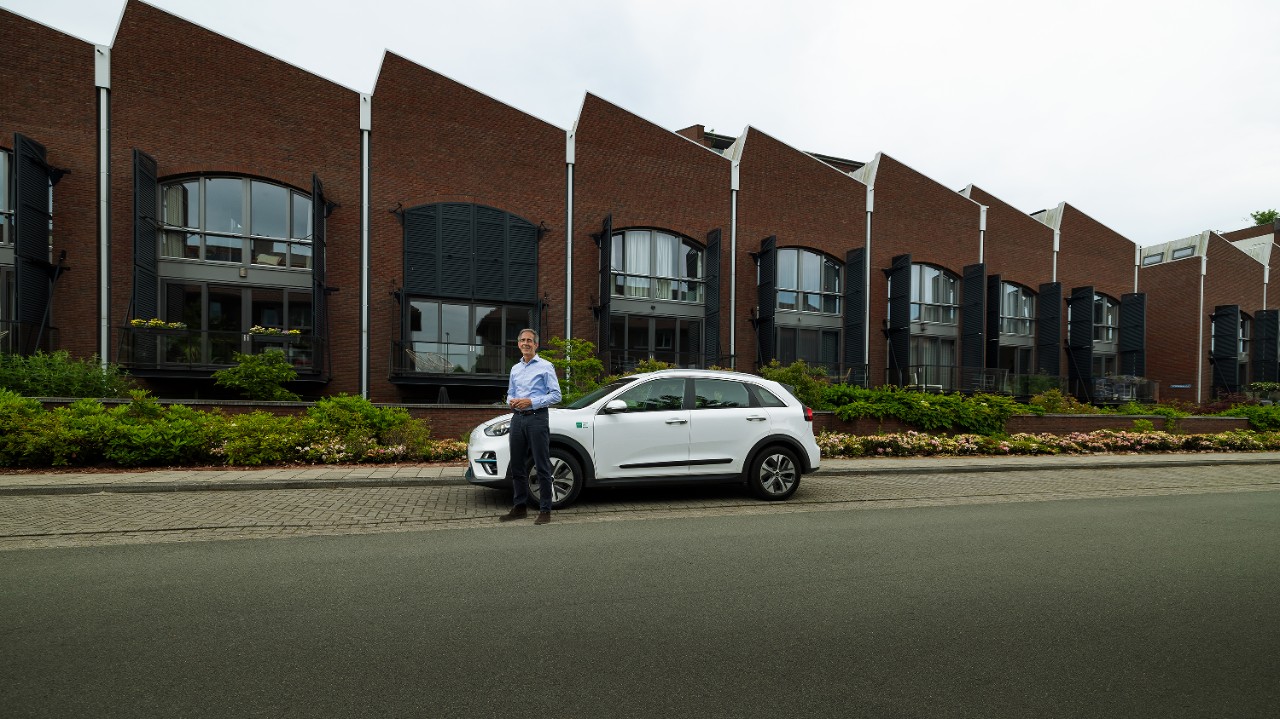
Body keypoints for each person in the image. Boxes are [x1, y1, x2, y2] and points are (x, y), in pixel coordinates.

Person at [499, 328, 562, 525]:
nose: (526, 343)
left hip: (537, 418)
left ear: (536, 344)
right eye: (522, 340)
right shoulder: (515, 369)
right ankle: (520, 507)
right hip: (517, 419)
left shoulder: (546, 366)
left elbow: (556, 395)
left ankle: (545, 510)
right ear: (518, 344)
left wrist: (531, 402)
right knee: (517, 465)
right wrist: (512, 401)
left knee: (541, 464)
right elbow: (510, 392)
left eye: (529, 340)